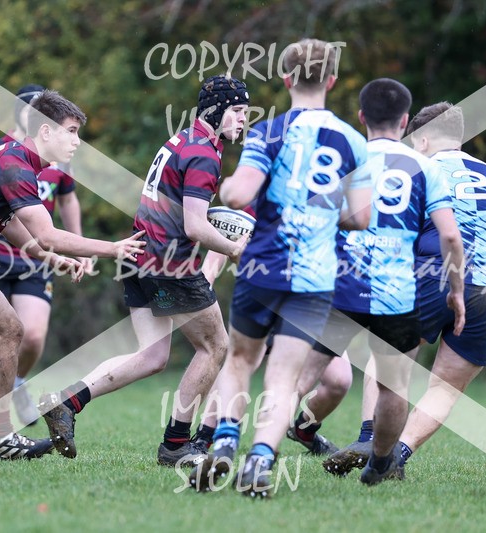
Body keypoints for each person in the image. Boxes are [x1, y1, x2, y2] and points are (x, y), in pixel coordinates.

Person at [0, 89, 147, 460]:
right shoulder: (17, 164)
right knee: (9, 329)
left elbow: (14, 229)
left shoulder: (12, 156)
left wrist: (53, 259)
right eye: (70, 131)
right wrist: (112, 248)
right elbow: (48, 232)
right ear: (47, 132)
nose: (76, 141)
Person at [189, 38, 373, 497]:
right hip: (315, 276)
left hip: (264, 267)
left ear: (287, 79)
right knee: (285, 377)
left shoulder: (269, 133)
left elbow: (235, 196)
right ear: (331, 81)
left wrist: (232, 184)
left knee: (241, 359)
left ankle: (226, 439)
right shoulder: (353, 140)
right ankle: (261, 459)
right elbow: (362, 217)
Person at [39, 75, 249, 466]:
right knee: (215, 346)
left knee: (152, 357)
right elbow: (195, 226)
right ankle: (176, 445)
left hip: (139, 254)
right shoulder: (204, 152)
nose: (242, 120)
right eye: (237, 111)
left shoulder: (180, 141)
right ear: (217, 110)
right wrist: (236, 248)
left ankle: (68, 402)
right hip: (169, 262)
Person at [297, 79, 466, 487]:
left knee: (299, 375)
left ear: (361, 117)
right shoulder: (425, 168)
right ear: (406, 121)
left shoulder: (346, 159)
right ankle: (379, 464)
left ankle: (261, 452)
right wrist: (456, 291)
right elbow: (449, 237)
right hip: (397, 293)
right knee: (394, 384)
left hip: (342, 285)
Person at [357, 102, 486, 473]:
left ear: (425, 139)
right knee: (445, 387)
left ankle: (369, 439)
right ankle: (397, 455)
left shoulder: (419, 167)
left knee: (387, 352)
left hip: (439, 269)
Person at [0, 84, 90, 429]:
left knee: (30, 336)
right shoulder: (1, 154)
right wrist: (110, 247)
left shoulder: (57, 160)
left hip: (34, 258)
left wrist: (80, 244)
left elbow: (68, 201)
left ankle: (14, 384)